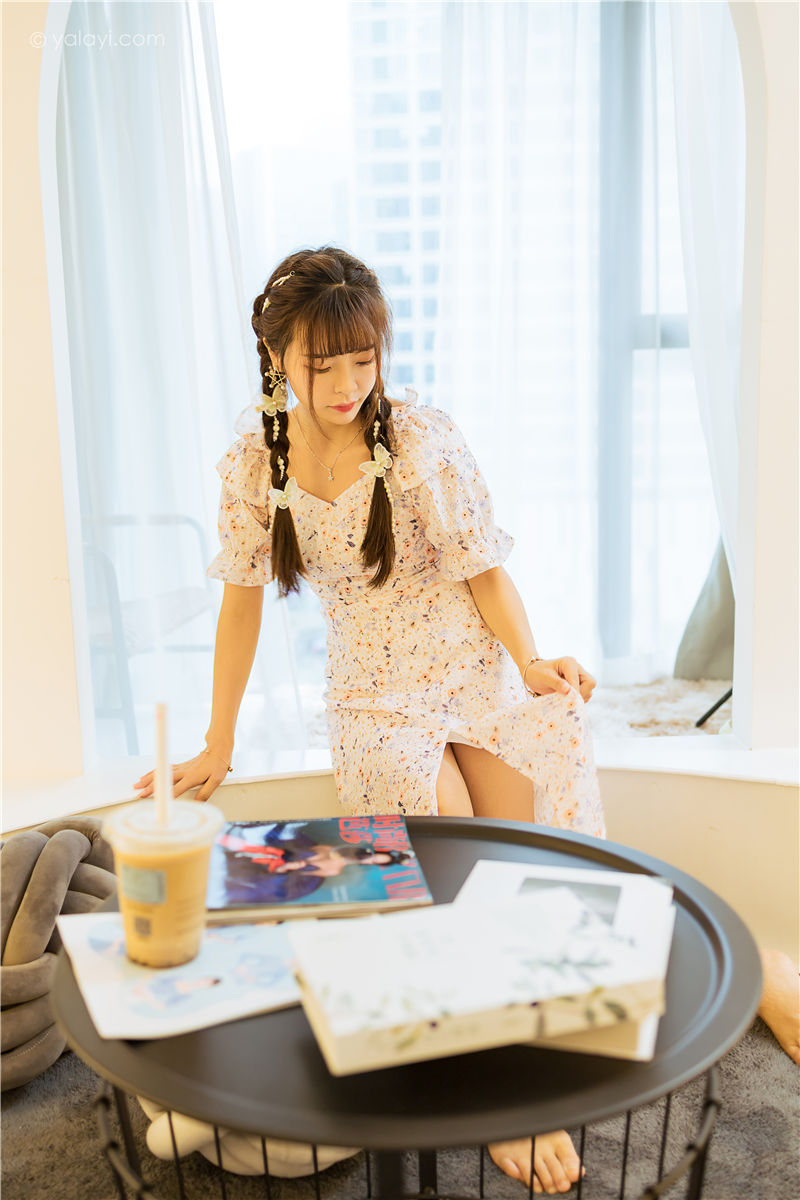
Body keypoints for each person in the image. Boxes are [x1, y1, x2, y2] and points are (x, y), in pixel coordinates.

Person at [134, 245, 605, 1195]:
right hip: (371, 695)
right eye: (324, 364)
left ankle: (541, 1044)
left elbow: (484, 570)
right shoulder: (253, 464)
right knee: (444, 863)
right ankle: (494, 1085)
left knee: (527, 860)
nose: (349, 384)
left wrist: (527, 663)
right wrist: (220, 741)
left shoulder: (421, 439)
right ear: (276, 355)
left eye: (364, 358)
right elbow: (240, 605)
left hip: (469, 670)